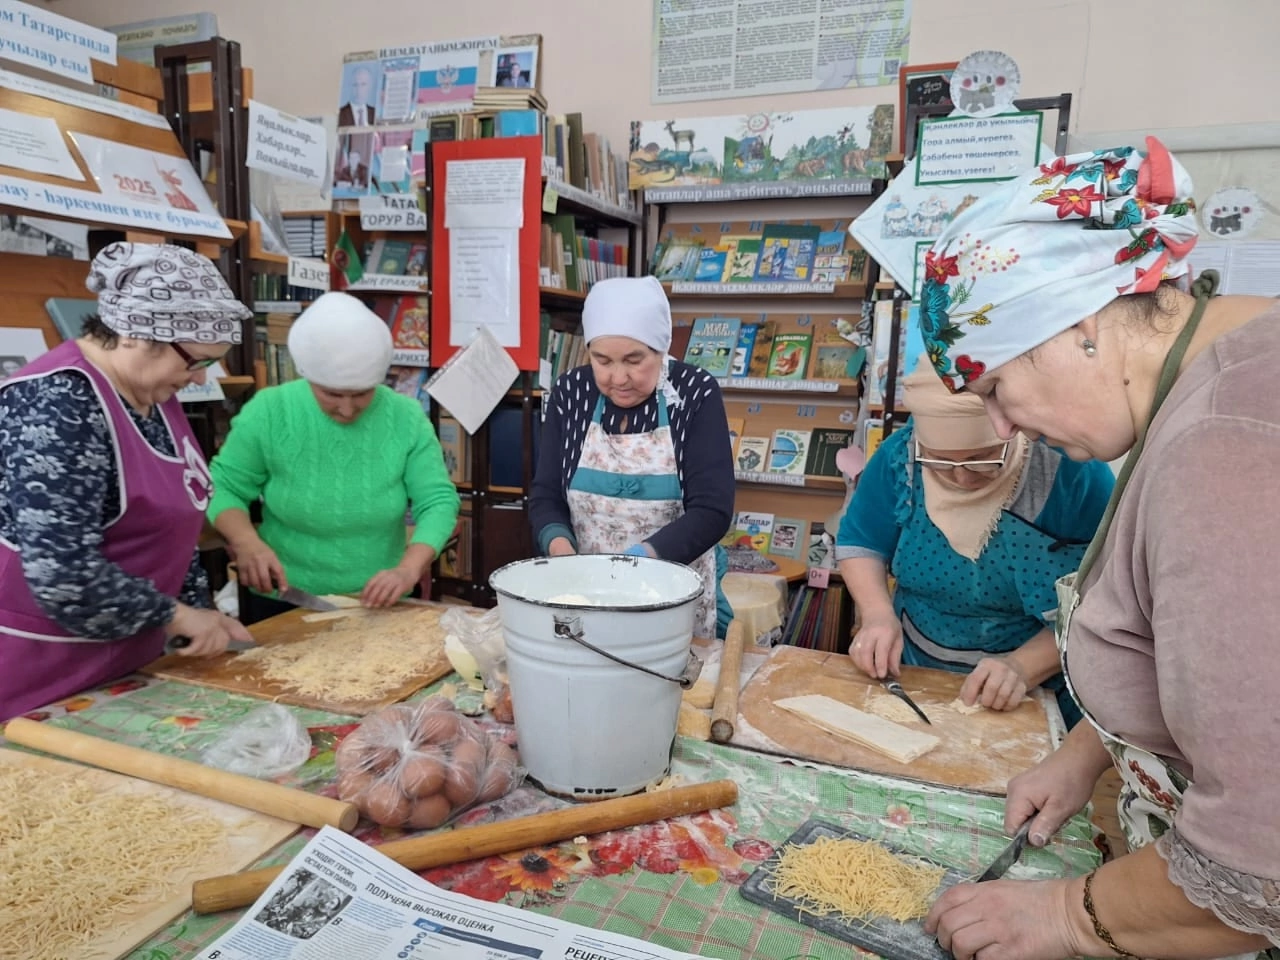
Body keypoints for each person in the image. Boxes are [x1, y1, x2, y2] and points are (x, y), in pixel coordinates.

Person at [918, 138, 1280, 960]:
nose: (1002, 427)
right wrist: (1086, 755)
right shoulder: (1218, 379)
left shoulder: (1222, 447)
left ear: (1077, 326)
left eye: (996, 390)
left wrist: (1065, 916)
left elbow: (1262, 858)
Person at [0, 242, 254, 720]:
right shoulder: (58, 405)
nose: (199, 379)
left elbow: (175, 519)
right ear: (139, 334)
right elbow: (62, 575)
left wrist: (200, 614)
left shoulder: (151, 390)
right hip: (43, 674)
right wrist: (178, 616)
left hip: (130, 661)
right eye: (195, 361)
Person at [836, 361, 1113, 728]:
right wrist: (876, 614)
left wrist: (1021, 666)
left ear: (1011, 428)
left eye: (982, 460)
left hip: (1036, 682)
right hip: (918, 670)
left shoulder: (1071, 473)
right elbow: (861, 541)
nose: (962, 476)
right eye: (940, 462)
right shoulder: (899, 457)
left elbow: (1104, 601)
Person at [208, 292, 459, 624]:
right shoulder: (270, 411)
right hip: (283, 599)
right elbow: (223, 487)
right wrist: (245, 541)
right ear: (307, 378)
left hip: (379, 601)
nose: (347, 409)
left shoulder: (405, 417)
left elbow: (438, 500)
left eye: (361, 394)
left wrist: (408, 569)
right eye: (331, 394)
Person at [529, 276, 735, 640]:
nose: (618, 378)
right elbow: (546, 495)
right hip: (585, 596)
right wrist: (560, 551)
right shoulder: (570, 392)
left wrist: (636, 562)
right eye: (602, 360)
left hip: (670, 599)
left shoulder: (695, 392)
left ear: (661, 349)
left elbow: (712, 511)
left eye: (634, 360)